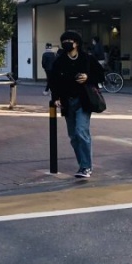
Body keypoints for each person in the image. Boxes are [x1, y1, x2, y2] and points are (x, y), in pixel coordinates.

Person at [49, 30, 105, 179]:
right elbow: (53, 81)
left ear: (77, 43)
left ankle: (86, 167)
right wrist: (56, 97)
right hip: (67, 102)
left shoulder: (87, 59)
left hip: (84, 101)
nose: (66, 43)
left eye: (70, 40)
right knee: (73, 136)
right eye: (64, 40)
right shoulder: (59, 61)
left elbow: (101, 75)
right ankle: (83, 164)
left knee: (81, 131)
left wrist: (88, 77)